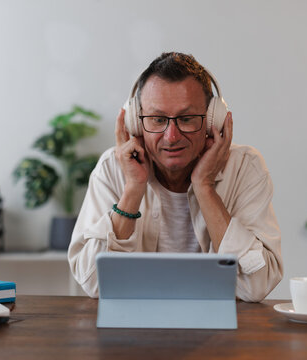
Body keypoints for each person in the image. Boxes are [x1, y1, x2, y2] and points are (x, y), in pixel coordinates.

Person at [68, 52, 282, 302]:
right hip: (133, 326)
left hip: (220, 332)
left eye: (187, 119)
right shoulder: (112, 168)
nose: (171, 136)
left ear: (214, 120)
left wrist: (204, 186)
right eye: (157, 119)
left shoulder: (245, 167)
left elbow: (257, 285)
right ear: (136, 123)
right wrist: (133, 189)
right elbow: (93, 282)